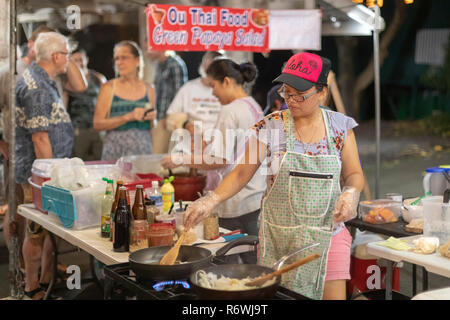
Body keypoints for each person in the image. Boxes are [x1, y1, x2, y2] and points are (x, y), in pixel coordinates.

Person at [182, 52, 364, 300]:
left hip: (327, 237)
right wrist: (211, 199)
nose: (292, 100)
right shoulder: (273, 125)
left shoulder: (340, 127)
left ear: (321, 92)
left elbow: (353, 174)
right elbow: (241, 173)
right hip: (279, 239)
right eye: (286, 92)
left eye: (300, 95)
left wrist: (351, 193)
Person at [162, 59, 266, 263]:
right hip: (254, 194)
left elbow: (219, 159)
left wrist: (180, 159)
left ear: (226, 82)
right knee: (254, 261)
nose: (213, 93)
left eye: (214, 86)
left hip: (234, 199)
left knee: (226, 262)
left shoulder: (230, 110)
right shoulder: (252, 105)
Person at [14, 32, 76, 299]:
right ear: (55, 56)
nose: (68, 59)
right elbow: (40, 138)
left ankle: (46, 281)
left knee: (48, 231)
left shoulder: (42, 79)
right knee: (36, 231)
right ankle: (33, 289)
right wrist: (51, 178)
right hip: (38, 174)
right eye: (66, 54)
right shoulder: (37, 87)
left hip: (45, 171)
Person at [93, 41, 157, 161]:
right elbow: (97, 124)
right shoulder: (109, 88)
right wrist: (128, 117)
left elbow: (151, 126)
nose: (119, 62)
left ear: (137, 61)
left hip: (142, 150)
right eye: (116, 58)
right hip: (115, 149)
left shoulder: (149, 89)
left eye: (124, 57)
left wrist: (153, 118)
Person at [166, 51, 224, 137]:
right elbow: (170, 116)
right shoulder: (188, 88)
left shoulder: (225, 91)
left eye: (215, 70)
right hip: (192, 141)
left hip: (219, 140)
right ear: (202, 66)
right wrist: (186, 125)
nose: (211, 73)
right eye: (208, 68)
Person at [67, 48, 107, 160]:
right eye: (76, 60)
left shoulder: (98, 78)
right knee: (78, 161)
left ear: (86, 60)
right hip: (79, 128)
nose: (79, 63)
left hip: (98, 127)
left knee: (102, 159)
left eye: (81, 59)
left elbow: (106, 102)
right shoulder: (68, 80)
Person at [146, 50, 187, 154]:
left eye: (148, 47)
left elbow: (180, 93)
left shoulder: (175, 64)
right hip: (159, 117)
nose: (146, 51)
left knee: (161, 156)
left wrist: (168, 115)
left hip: (168, 119)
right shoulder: (159, 64)